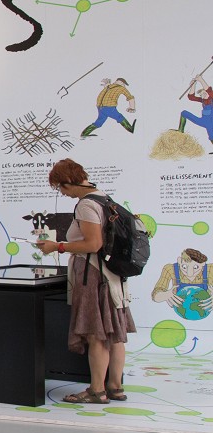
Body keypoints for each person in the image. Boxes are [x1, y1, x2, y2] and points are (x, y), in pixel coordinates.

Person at [35, 158, 136, 403]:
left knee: (96, 334)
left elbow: (93, 244)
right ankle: (115, 386)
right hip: (112, 275)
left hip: (93, 275)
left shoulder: (86, 205)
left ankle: (96, 391)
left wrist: (57, 246)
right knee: (114, 334)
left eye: (60, 187)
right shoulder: (104, 198)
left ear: (67, 183)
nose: (61, 192)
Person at [150, 248, 213, 319]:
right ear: (179, 261)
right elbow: (156, 294)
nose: (190, 273)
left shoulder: (210, 269)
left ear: (203, 264)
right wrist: (165, 295)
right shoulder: (170, 269)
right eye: (184, 267)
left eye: (195, 267)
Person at [177, 75, 213, 151]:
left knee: (212, 136)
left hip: (211, 122)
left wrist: (201, 79)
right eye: (201, 94)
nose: (203, 95)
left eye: (204, 93)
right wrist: (193, 85)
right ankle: (180, 130)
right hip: (203, 121)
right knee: (184, 113)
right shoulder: (203, 100)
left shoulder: (211, 98)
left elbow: (209, 91)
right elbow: (191, 97)